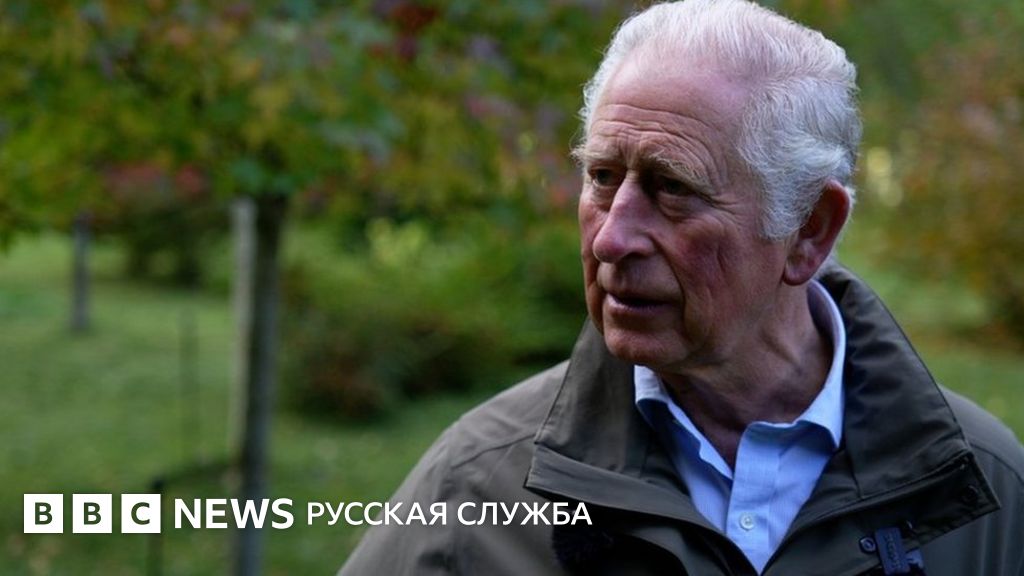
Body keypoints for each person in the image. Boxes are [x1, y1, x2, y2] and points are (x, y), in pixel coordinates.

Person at [339, 1, 1024, 574]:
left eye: (672, 188)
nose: (611, 239)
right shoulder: (474, 489)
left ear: (809, 229)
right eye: (602, 178)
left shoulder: (983, 486)